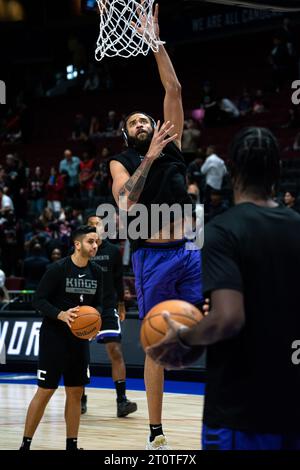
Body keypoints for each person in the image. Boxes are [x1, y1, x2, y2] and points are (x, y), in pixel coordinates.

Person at [147, 127, 300, 450]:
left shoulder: (222, 231)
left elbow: (228, 318)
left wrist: (184, 337)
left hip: (239, 412)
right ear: (279, 170)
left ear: (230, 171)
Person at [109, 4, 203, 450]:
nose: (144, 122)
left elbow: (174, 86)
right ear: (129, 136)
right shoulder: (124, 161)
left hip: (189, 249)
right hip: (153, 254)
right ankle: (155, 429)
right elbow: (126, 203)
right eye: (135, 123)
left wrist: (156, 41)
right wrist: (148, 157)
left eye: (146, 118)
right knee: (154, 343)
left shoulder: (174, 143)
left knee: (215, 325)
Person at [19, 225, 104, 451]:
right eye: (90, 242)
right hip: (54, 338)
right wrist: (61, 314)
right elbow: (38, 300)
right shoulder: (57, 269)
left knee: (76, 392)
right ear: (77, 244)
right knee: (46, 390)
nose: (95, 246)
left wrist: (95, 325)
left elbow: (98, 306)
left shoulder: (96, 272)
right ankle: (25, 445)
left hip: (79, 341)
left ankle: (72, 445)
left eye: (96, 242)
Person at [81, 214, 137, 418]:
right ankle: (80, 398)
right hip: (84, 309)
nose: (96, 227)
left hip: (107, 308)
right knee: (80, 356)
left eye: (99, 225)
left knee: (115, 351)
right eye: (92, 224)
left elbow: (118, 279)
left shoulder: (113, 251)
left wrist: (121, 303)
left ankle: (122, 401)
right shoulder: (81, 251)